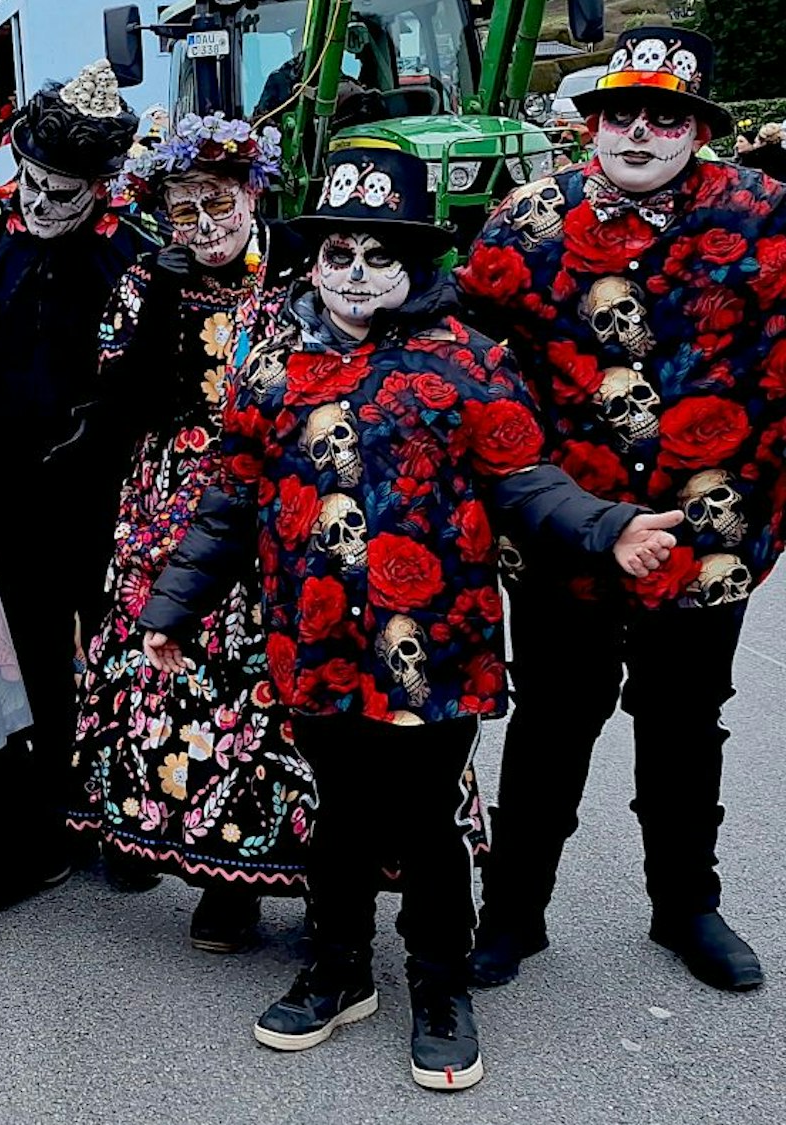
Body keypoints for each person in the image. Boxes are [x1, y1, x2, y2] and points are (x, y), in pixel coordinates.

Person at [139, 148, 682, 1090]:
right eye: (338, 252)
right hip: (314, 642)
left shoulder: (467, 361)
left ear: (415, 266)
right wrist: (171, 607)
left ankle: (439, 983)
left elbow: (527, 480)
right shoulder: (273, 367)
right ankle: (339, 967)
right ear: (311, 262)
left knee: (427, 824)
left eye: (378, 254)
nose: (355, 273)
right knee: (341, 814)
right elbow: (229, 502)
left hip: (435, 645)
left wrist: (610, 528)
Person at [456, 27, 786, 994]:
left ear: (697, 127)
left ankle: (686, 904)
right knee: (554, 717)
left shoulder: (765, 214)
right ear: (591, 121)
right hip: (570, 529)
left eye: (665, 114)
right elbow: (470, 367)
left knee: (686, 720)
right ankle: (513, 910)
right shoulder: (523, 221)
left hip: (709, 534)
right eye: (619, 112)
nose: (639, 130)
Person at [67, 112, 310, 952]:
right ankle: (221, 879)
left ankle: (325, 874)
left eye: (218, 204)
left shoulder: (304, 270)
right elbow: (114, 390)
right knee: (192, 684)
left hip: (285, 492)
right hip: (172, 497)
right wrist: (162, 296)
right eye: (183, 210)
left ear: (252, 192)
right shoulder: (146, 279)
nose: (203, 226)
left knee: (286, 687)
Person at [0, 59, 158, 881]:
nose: (39, 204)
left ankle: (126, 816)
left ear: (101, 187)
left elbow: (160, 365)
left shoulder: (134, 252)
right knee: (28, 646)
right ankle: (55, 804)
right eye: (31, 182)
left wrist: (108, 420)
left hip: (98, 482)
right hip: (6, 476)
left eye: (62, 193)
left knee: (113, 643)